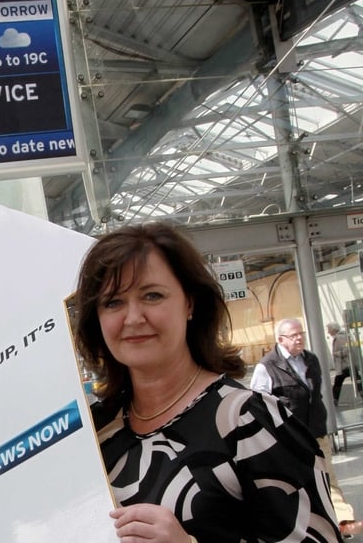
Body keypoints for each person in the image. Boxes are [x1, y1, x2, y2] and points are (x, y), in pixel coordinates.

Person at [74, 222, 341, 542]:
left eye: (152, 295)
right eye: (113, 302)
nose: (133, 317)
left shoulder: (252, 422)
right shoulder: (95, 432)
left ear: (190, 303)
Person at [251, 318, 359, 537]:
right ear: (281, 339)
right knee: (298, 483)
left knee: (328, 476)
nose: (300, 338)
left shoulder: (311, 359)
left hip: (316, 432)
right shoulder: (267, 366)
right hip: (289, 437)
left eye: (301, 333)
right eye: (294, 335)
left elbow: (315, 394)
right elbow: (257, 405)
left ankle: (343, 522)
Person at [328, 322, 360, 404]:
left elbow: (347, 350)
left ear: (334, 330)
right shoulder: (341, 336)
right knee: (356, 380)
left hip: (345, 365)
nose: (328, 332)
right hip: (347, 365)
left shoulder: (340, 337)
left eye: (329, 329)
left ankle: (334, 399)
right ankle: (334, 399)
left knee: (338, 382)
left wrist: (336, 354)